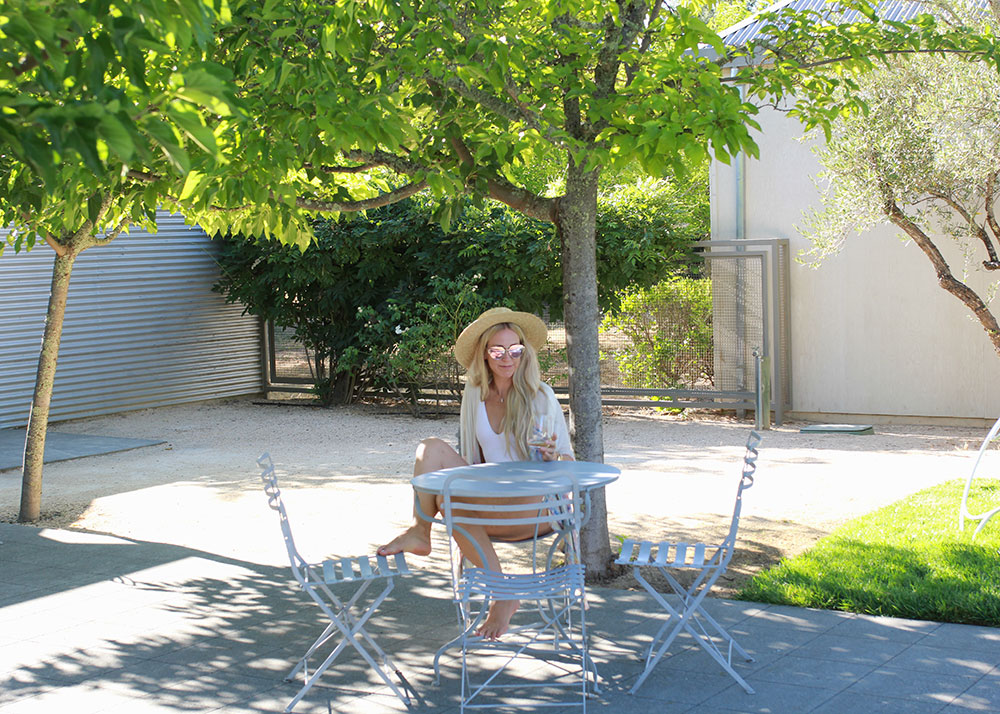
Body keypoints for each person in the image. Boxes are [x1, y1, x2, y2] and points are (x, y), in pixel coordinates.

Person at [377, 306, 574, 640]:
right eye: (498, 350)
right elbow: (472, 457)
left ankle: (501, 595)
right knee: (430, 449)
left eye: (515, 350)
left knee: (452, 503)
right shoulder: (473, 394)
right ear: (485, 354)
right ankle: (420, 532)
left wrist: (552, 456)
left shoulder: (541, 396)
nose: (507, 358)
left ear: (524, 353)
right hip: (492, 500)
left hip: (535, 505)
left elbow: (568, 466)